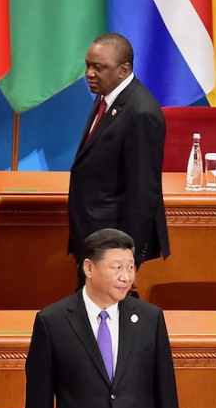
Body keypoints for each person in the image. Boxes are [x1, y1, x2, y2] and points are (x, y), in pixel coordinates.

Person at [25, 228, 181, 408]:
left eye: (131, 268)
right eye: (117, 267)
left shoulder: (150, 318)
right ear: (89, 267)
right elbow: (38, 400)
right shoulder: (52, 321)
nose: (126, 277)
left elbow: (164, 388)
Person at [67, 34, 168, 282]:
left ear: (124, 70)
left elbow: (143, 192)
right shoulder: (108, 96)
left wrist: (126, 258)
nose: (89, 73)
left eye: (98, 68)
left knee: (105, 312)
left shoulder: (141, 112)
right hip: (94, 234)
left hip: (112, 241)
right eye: (88, 65)